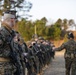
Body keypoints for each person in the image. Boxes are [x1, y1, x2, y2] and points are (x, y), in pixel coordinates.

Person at [0, 10, 18, 75]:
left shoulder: (10, 32)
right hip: (3, 68)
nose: (15, 22)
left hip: (9, 67)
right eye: (15, 20)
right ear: (12, 20)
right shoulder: (2, 32)